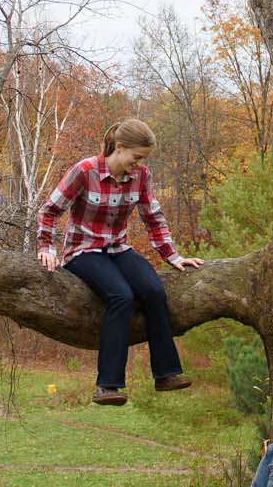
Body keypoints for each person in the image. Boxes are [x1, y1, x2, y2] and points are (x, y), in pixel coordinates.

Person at [36, 118, 203, 405]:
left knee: (154, 290)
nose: (139, 164)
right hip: (83, 251)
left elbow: (153, 217)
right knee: (121, 296)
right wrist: (46, 247)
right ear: (120, 147)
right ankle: (108, 385)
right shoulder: (85, 171)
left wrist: (173, 256)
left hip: (118, 249)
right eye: (136, 157)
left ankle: (165, 374)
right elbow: (50, 210)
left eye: (143, 159)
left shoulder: (141, 177)